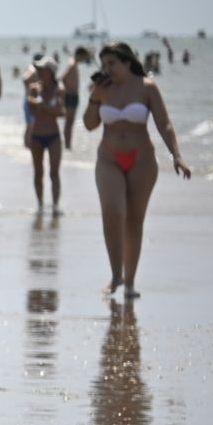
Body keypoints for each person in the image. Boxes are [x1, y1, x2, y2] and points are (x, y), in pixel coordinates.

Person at [82, 42, 191, 298]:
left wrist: (177, 155)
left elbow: (164, 123)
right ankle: (115, 275)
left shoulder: (146, 87)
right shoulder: (102, 89)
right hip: (108, 158)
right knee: (113, 213)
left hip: (142, 159)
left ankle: (130, 282)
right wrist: (94, 98)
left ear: (128, 62)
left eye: (112, 64)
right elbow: (88, 125)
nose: (107, 69)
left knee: (134, 220)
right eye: (104, 65)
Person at [24, 60, 63, 212]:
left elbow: (61, 111)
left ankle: (55, 206)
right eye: (38, 69)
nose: (39, 72)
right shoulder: (34, 88)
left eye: (42, 69)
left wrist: (42, 106)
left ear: (51, 73)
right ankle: (40, 205)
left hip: (53, 136)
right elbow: (30, 106)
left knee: (54, 172)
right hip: (36, 136)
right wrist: (42, 105)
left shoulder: (59, 89)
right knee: (38, 172)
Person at [61, 46, 89, 149]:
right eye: (84, 57)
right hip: (70, 95)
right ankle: (67, 145)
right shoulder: (72, 63)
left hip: (72, 95)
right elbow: (63, 77)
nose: (84, 60)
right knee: (69, 122)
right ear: (80, 55)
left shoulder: (73, 62)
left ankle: (68, 145)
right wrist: (67, 91)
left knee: (69, 122)